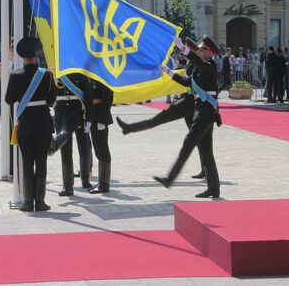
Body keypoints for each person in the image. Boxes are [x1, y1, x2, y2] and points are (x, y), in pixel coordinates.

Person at [116, 39, 207, 179]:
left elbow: (190, 79)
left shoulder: (199, 63)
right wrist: (168, 71)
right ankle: (205, 169)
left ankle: (130, 128)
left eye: (195, 49)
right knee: (197, 137)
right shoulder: (191, 64)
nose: (186, 53)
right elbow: (185, 79)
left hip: (192, 102)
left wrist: (182, 48)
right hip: (189, 100)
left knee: (162, 119)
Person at [154, 35, 221, 198]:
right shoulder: (201, 68)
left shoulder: (211, 66)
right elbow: (186, 82)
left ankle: (169, 178)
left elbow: (197, 62)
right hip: (202, 110)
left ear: (210, 53)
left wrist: (182, 47)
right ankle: (214, 189)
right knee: (206, 152)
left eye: (202, 49)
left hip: (206, 112)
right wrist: (168, 71)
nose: (198, 50)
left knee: (189, 143)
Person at [5, 36, 56, 212]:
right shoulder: (47, 74)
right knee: (41, 161)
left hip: (25, 123)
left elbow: (8, 99)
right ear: (37, 55)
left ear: (23, 57)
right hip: (43, 122)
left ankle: (28, 202)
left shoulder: (15, 75)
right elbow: (51, 100)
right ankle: (40, 202)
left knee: (27, 161)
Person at [49, 73, 94, 196]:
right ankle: (68, 186)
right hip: (60, 112)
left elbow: (88, 97)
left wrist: (89, 119)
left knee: (83, 145)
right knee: (66, 150)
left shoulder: (81, 74)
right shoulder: (55, 74)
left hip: (77, 110)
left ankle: (85, 179)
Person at [88, 79, 114, 194]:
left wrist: (102, 119)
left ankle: (104, 184)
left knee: (102, 150)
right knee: (98, 150)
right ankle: (101, 181)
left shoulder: (102, 76)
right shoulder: (93, 76)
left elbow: (108, 97)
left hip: (100, 116)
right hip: (94, 115)